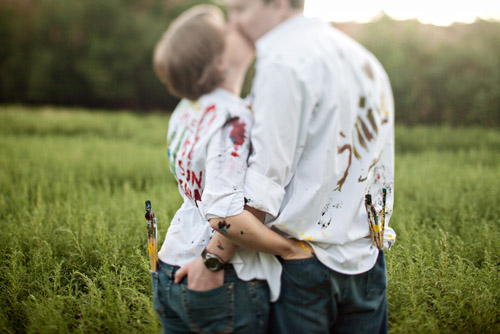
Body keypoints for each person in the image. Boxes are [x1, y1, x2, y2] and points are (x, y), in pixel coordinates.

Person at [182, 0, 397, 332]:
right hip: (368, 259)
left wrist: (212, 260)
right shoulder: (363, 59)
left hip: (307, 264)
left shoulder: (282, 61)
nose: (234, 24)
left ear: (280, 5)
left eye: (241, 10)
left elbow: (262, 185)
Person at [152, 4, 311, 334]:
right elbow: (224, 214)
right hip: (221, 278)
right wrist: (289, 249)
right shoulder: (232, 120)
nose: (237, 25)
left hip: (169, 264)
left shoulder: (186, 110)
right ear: (219, 62)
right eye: (226, 30)